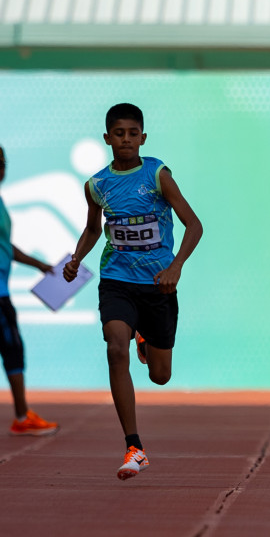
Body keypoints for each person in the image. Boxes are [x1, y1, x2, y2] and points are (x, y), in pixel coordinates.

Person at [62, 104, 203, 479]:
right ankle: (134, 446)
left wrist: (175, 267)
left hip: (158, 284)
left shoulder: (157, 173)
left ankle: (145, 337)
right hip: (117, 280)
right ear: (107, 138)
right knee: (113, 348)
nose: (126, 139)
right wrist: (76, 259)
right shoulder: (97, 185)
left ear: (143, 137)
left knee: (160, 375)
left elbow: (194, 225)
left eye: (132, 133)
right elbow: (94, 230)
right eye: (119, 133)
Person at [0, 144, 60, 436]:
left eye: (2, 161)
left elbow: (5, 246)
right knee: (12, 350)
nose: (1, 167)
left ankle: (22, 416)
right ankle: (22, 416)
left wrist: (38, 264)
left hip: (2, 294)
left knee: (13, 350)